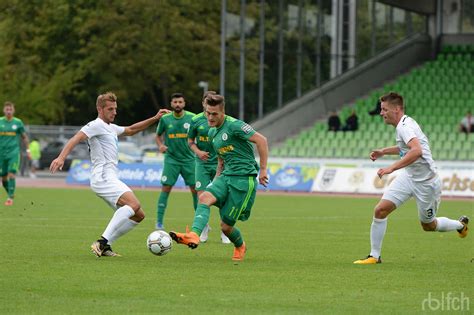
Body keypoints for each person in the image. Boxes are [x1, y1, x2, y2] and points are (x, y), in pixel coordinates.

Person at [354, 92, 469, 265]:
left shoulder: (404, 127)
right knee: (380, 210)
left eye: (384, 109)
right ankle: (374, 256)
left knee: (428, 225)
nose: (381, 113)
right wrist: (383, 152)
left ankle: (460, 225)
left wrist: (391, 168)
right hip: (409, 177)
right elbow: (404, 148)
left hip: (426, 184)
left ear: (397, 109)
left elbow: (416, 151)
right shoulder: (404, 123)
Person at [50, 92, 169, 257]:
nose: (114, 112)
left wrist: (155, 118)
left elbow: (132, 129)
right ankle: (102, 242)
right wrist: (61, 157)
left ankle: (106, 246)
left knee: (138, 215)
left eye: (115, 109)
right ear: (100, 109)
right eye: (110, 109)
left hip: (110, 178)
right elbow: (76, 138)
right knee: (133, 205)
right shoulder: (95, 125)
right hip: (103, 177)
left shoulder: (111, 128)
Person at [169, 93, 269, 262]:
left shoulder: (235, 125)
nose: (210, 117)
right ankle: (194, 235)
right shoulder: (212, 132)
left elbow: (262, 140)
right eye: (208, 113)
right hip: (225, 176)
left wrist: (264, 170)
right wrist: (216, 180)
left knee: (226, 226)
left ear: (223, 112)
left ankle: (240, 245)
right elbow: (221, 159)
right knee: (204, 197)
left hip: (244, 179)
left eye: (214, 114)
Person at [187, 91, 230, 244]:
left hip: (220, 162)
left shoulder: (223, 120)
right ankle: (204, 228)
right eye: (206, 102)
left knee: (222, 197)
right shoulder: (196, 120)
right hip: (202, 164)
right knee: (201, 196)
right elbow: (190, 141)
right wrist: (198, 152)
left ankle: (225, 231)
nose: (208, 107)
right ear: (203, 103)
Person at [155, 93, 197, 229]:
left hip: (189, 160)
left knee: (195, 190)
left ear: (184, 103)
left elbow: (200, 134)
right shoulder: (165, 119)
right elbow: (158, 135)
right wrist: (160, 145)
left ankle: (200, 224)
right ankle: (159, 222)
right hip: (171, 160)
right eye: (175, 102)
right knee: (166, 188)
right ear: (171, 104)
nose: (177, 104)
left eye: (180, 102)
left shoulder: (192, 118)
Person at [0, 101, 31, 206]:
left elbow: (24, 137)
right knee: (3, 177)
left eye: (10, 109)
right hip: (1, 153)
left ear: (13, 110)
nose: (8, 111)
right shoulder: (0, 122)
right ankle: (10, 192)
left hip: (13, 152)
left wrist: (28, 150)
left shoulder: (18, 122)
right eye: (7, 109)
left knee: (11, 173)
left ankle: (10, 198)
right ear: (4, 110)